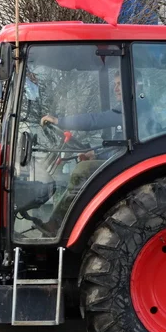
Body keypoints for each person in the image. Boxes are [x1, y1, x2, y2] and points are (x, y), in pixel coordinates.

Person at [36, 70, 124, 234]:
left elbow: (95, 120)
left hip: (126, 163)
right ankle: (61, 224)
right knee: (85, 166)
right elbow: (120, 146)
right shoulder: (128, 112)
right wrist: (96, 154)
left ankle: (60, 224)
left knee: (82, 171)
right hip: (124, 159)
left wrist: (59, 121)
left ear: (134, 86)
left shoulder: (131, 110)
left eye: (120, 84)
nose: (116, 88)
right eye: (115, 84)